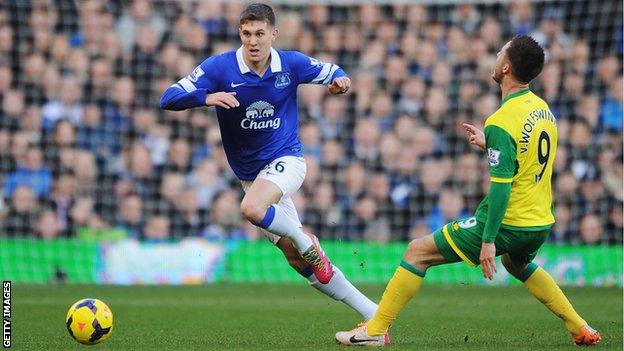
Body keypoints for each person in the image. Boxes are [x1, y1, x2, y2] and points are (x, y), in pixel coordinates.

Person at [335, 36, 601, 347]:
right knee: (516, 264)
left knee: (417, 252)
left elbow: (500, 188)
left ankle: (376, 330)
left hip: (508, 222)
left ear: (505, 67)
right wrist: (491, 145)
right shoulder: (542, 110)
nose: (496, 53)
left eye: (500, 50)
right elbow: (528, 157)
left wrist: (488, 240)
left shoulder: (501, 121)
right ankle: (579, 326)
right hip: (540, 221)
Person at [160, 3, 377, 320]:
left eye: (260, 33)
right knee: (297, 260)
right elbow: (168, 97)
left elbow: (334, 71)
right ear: (240, 33)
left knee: (251, 209)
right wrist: (206, 97)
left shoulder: (291, 64)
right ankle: (373, 314)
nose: (253, 41)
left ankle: (307, 240)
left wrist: (341, 82)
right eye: (247, 33)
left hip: (288, 160)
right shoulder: (220, 69)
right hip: (252, 176)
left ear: (273, 34)